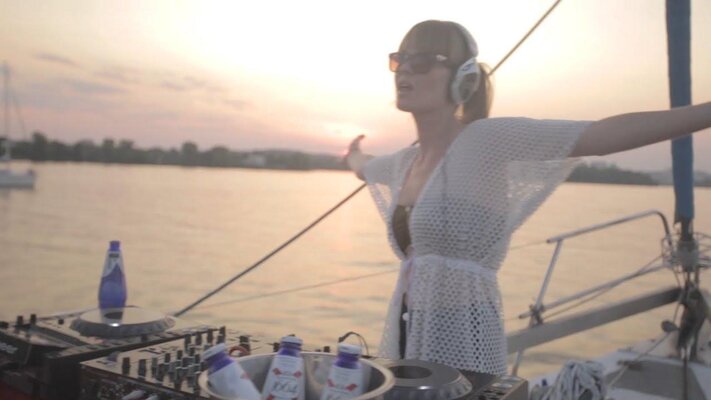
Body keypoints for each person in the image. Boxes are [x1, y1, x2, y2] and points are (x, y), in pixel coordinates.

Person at [345, 20, 711, 375]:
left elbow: (599, 135)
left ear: (462, 79)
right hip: (408, 330)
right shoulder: (404, 163)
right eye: (400, 59)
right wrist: (353, 154)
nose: (406, 69)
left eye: (423, 61)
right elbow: (364, 167)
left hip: (464, 335)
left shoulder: (484, 141)